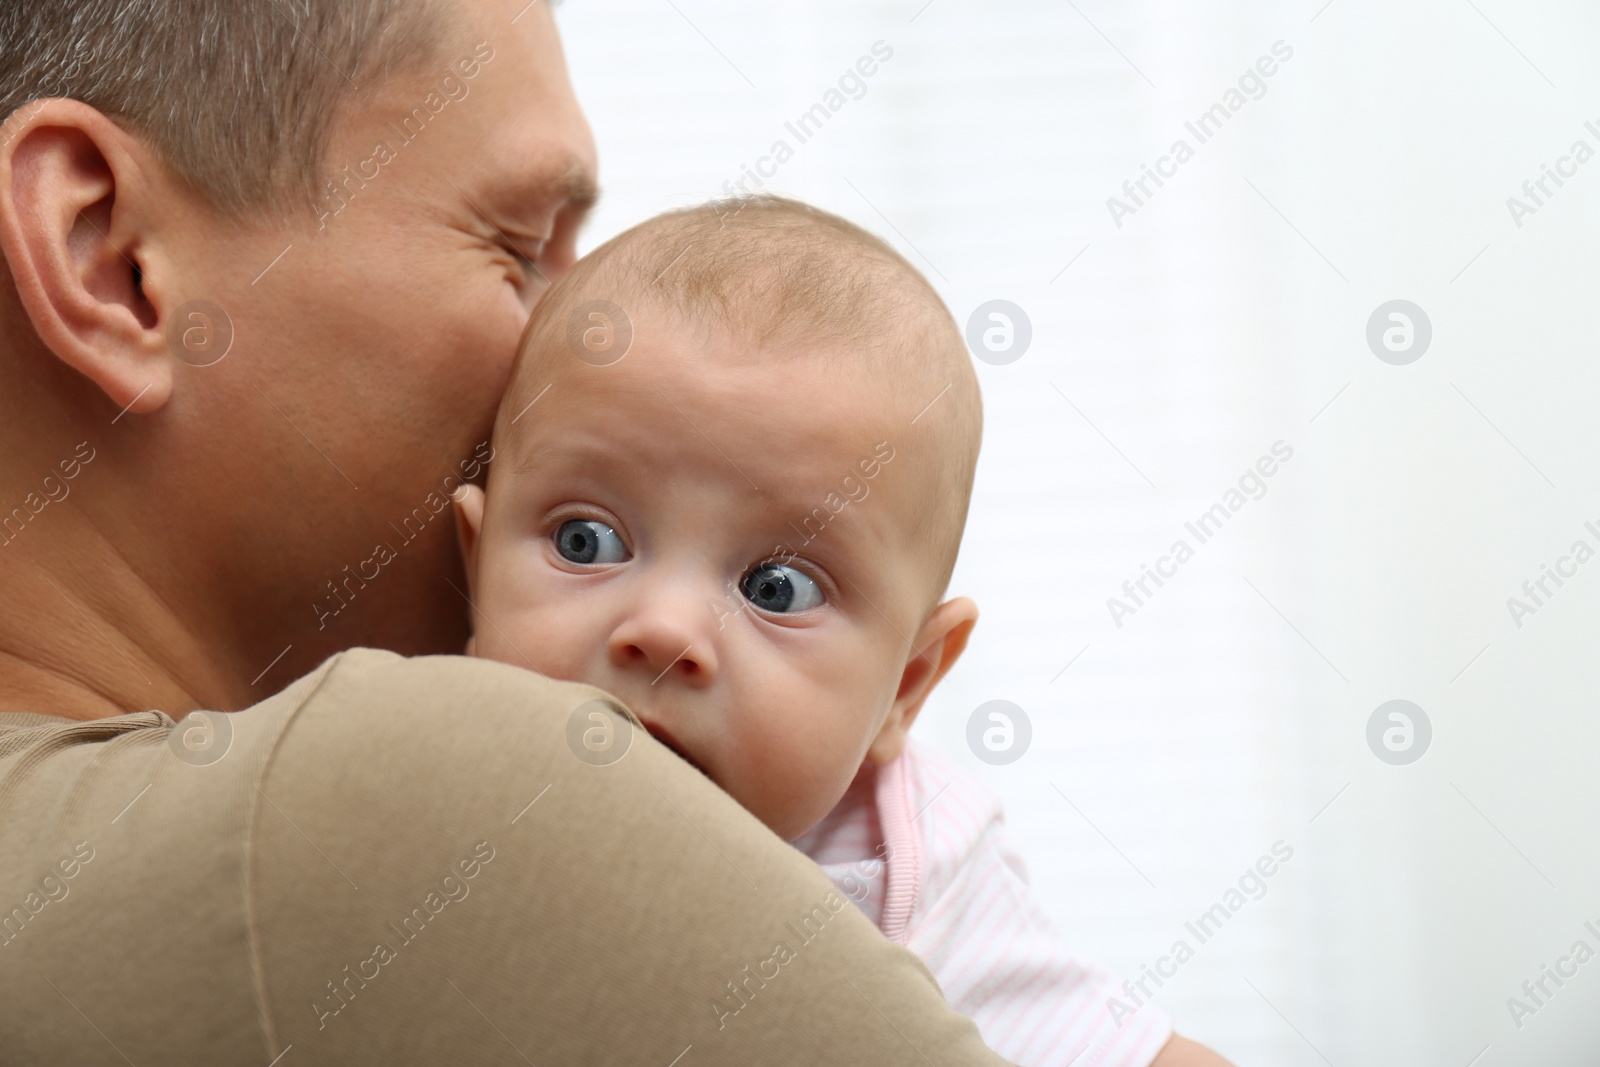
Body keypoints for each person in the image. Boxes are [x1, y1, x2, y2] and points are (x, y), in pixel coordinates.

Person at [0, 0, 1226, 1062]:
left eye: (777, 582)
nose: (577, 343)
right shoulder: (432, 793)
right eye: (525, 248)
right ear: (112, 258)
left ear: (913, 675)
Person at [450, 196, 1218, 1065]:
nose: (664, 630)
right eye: (586, 540)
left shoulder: (910, 858)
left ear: (907, 685)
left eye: (777, 588)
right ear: (474, 575)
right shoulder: (405, 772)